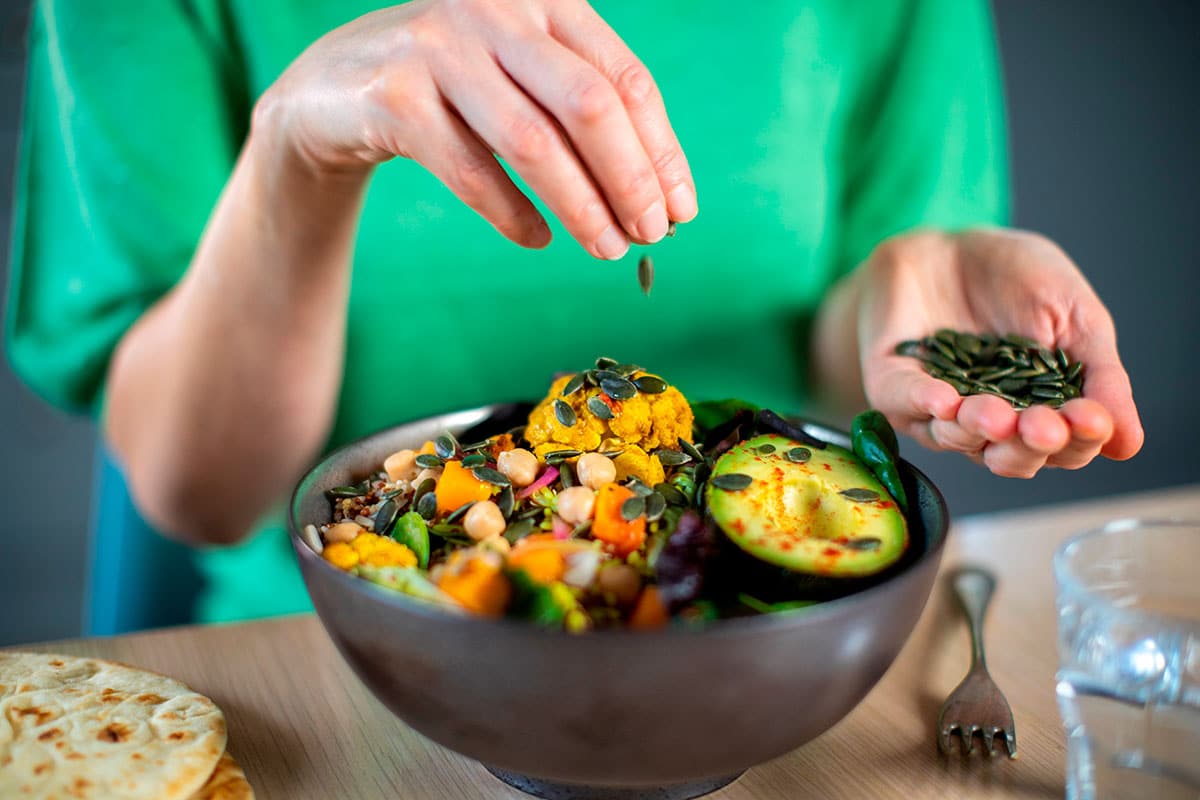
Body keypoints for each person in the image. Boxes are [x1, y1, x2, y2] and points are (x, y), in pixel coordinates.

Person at [7, 0, 1142, 624]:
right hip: (340, 657)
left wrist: (898, 307)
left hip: (759, 638)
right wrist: (296, 148)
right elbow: (195, 490)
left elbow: (854, 394)